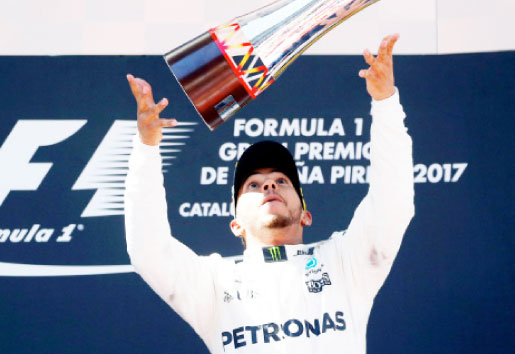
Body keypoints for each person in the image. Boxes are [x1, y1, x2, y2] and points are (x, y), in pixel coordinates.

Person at [124, 34, 414, 353]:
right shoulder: (212, 283)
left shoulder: (346, 263)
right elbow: (148, 251)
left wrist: (385, 102)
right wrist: (147, 147)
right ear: (235, 224)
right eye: (253, 184)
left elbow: (392, 202)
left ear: (306, 214)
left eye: (281, 180)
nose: (269, 185)